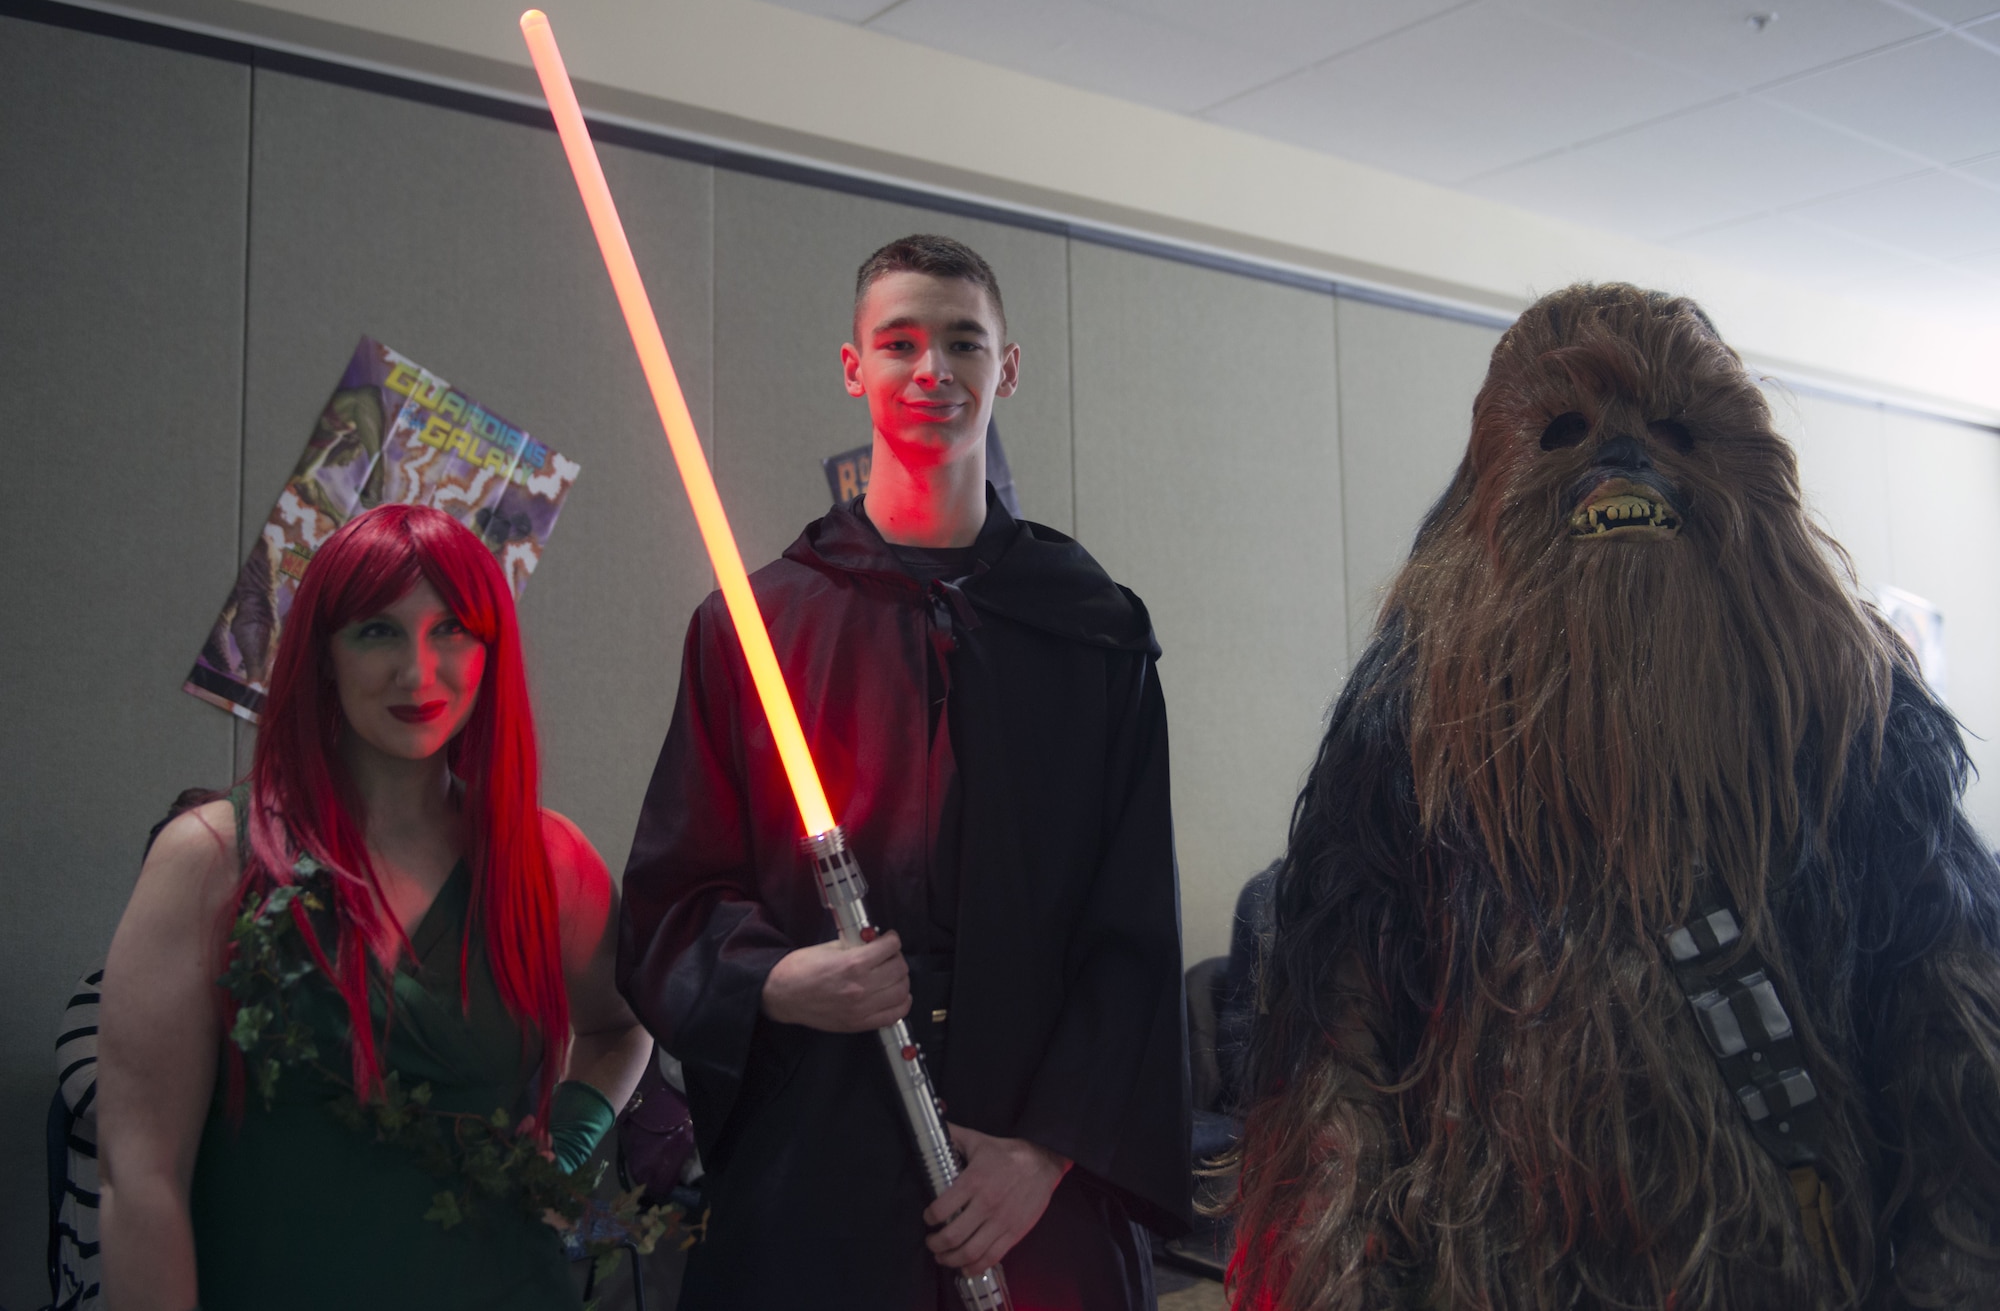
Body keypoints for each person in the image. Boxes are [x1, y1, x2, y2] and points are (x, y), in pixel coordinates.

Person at [1232, 284, 2000, 1310]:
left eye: (1672, 432)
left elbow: (1953, 1049)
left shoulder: (1847, 709)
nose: (1622, 461)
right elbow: (1336, 1080)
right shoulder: (1409, 716)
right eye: (1565, 431)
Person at [619, 234, 1193, 1309]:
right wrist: (776, 981)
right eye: (899, 343)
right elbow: (665, 908)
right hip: (816, 1199)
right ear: (854, 369)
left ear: (1005, 369)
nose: (931, 370)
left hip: (1038, 1205)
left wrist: (1045, 1156)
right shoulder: (754, 627)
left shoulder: (1097, 633)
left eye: (961, 343)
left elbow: (1133, 940)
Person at [97, 503, 654, 1311]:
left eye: (452, 630)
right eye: (377, 632)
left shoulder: (547, 859)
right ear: (322, 654)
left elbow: (620, 1024)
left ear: (490, 651)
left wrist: (564, 1145)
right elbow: (140, 1177)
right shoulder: (210, 860)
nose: (418, 672)